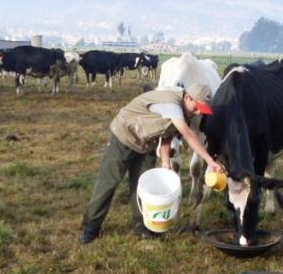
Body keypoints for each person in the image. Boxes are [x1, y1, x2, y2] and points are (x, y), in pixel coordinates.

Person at [79, 83, 223, 244]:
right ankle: (90, 227)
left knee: (143, 187)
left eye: (201, 110)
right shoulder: (172, 105)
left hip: (147, 142)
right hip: (124, 137)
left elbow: (168, 132)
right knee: (108, 183)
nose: (198, 113)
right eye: (197, 108)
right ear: (188, 97)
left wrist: (166, 161)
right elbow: (187, 134)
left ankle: (142, 226)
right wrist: (210, 160)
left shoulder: (185, 109)